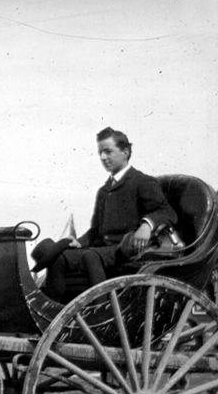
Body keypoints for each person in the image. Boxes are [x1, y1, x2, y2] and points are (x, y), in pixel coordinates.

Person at [38, 127, 177, 302]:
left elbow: (167, 212)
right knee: (58, 257)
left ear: (125, 152)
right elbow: (95, 231)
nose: (103, 157)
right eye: (100, 153)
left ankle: (103, 312)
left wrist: (147, 225)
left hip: (128, 249)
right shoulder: (104, 191)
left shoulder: (142, 182)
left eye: (108, 151)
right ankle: (52, 308)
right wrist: (79, 242)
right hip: (104, 251)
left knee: (90, 256)